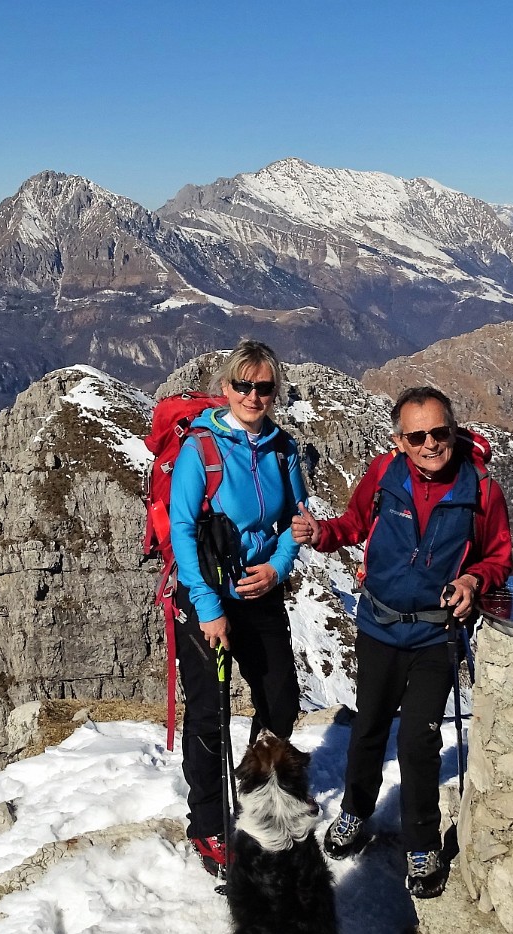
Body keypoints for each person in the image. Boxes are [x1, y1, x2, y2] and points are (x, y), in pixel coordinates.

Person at [291, 386, 512, 899]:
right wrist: (318, 533)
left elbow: (499, 557)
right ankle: (354, 811)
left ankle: (421, 842)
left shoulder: (481, 488)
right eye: (419, 436)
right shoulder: (383, 474)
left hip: (436, 634)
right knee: (367, 728)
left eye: (441, 432)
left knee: (418, 740)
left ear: (454, 430)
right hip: (379, 627)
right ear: (400, 440)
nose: (432, 443)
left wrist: (474, 582)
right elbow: (353, 525)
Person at [169, 339, 308, 877]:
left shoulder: (281, 448)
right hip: (208, 598)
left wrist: (277, 566)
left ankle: (259, 803)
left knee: (280, 702)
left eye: (265, 386)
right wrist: (207, 606)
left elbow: (296, 520)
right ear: (226, 388)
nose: (254, 395)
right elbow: (183, 531)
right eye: (244, 385)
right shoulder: (201, 450)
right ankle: (207, 826)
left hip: (261, 591)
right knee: (210, 715)